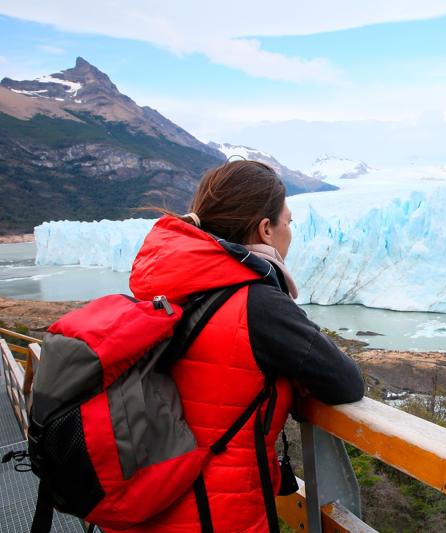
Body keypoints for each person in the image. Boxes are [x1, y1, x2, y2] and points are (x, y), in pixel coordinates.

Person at [119, 159, 364, 532]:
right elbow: (346, 382)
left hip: (153, 504)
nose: (291, 232)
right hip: (217, 513)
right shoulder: (258, 304)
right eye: (289, 222)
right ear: (266, 229)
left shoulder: (171, 288)